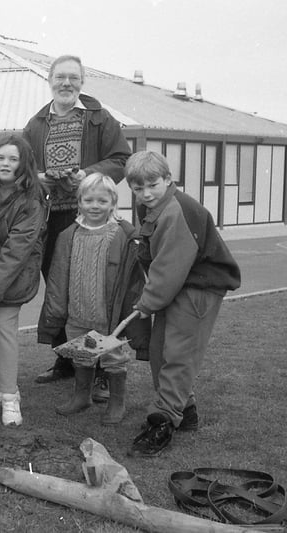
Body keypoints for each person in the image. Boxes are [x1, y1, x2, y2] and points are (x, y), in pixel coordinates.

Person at [22, 55, 131, 389]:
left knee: (94, 288)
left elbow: (121, 158)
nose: (66, 83)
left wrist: (87, 174)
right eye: (60, 77)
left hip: (89, 215)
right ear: (50, 80)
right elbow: (23, 168)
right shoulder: (37, 123)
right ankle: (66, 359)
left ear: (82, 82)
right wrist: (40, 177)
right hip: (52, 218)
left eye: (73, 77)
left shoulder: (99, 119)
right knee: (59, 285)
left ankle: (99, 365)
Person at [125, 151, 240, 457]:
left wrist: (147, 302)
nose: (146, 193)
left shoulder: (176, 211)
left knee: (178, 354)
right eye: (138, 188)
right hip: (178, 283)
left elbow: (169, 266)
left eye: (152, 184)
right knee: (160, 348)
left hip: (200, 286)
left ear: (168, 179)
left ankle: (163, 421)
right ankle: (185, 410)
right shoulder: (149, 206)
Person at [37, 173, 149, 427]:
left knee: (113, 359)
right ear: (79, 202)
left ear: (113, 203)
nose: (95, 206)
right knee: (81, 354)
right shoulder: (68, 235)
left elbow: (134, 278)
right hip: (77, 311)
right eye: (88, 200)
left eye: (102, 201)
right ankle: (81, 396)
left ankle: (116, 401)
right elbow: (57, 276)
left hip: (109, 316)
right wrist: (57, 310)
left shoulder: (123, 235)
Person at [0, 136, 47, 426]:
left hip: (16, 275)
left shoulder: (31, 201)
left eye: (13, 159)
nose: (5, 164)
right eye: (1, 157)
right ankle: (4, 387)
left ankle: (11, 398)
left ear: (23, 164)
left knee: (3, 329)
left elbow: (17, 249)